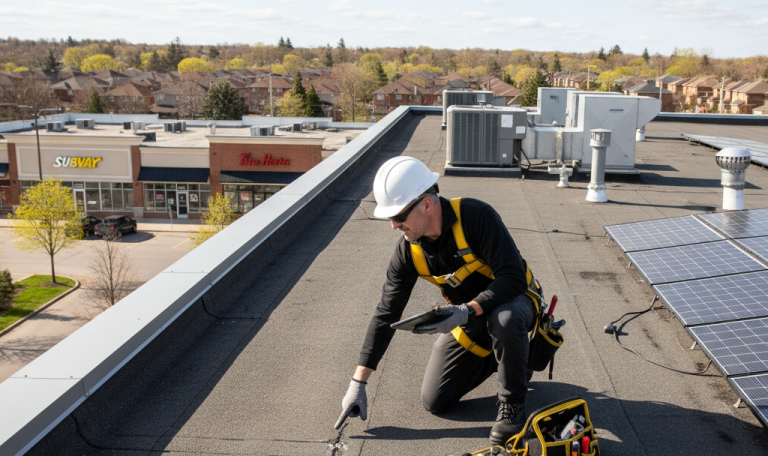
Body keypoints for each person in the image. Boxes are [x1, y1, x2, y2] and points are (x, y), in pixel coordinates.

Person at [337, 156, 542, 444]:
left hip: (515, 303)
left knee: (504, 318)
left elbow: (513, 277)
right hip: (470, 317)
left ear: (426, 204)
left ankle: (512, 405)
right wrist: (358, 382)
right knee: (435, 400)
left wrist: (466, 310)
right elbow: (386, 313)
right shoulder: (409, 252)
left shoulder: (476, 217)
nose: (394, 226)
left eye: (398, 216)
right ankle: (512, 361)